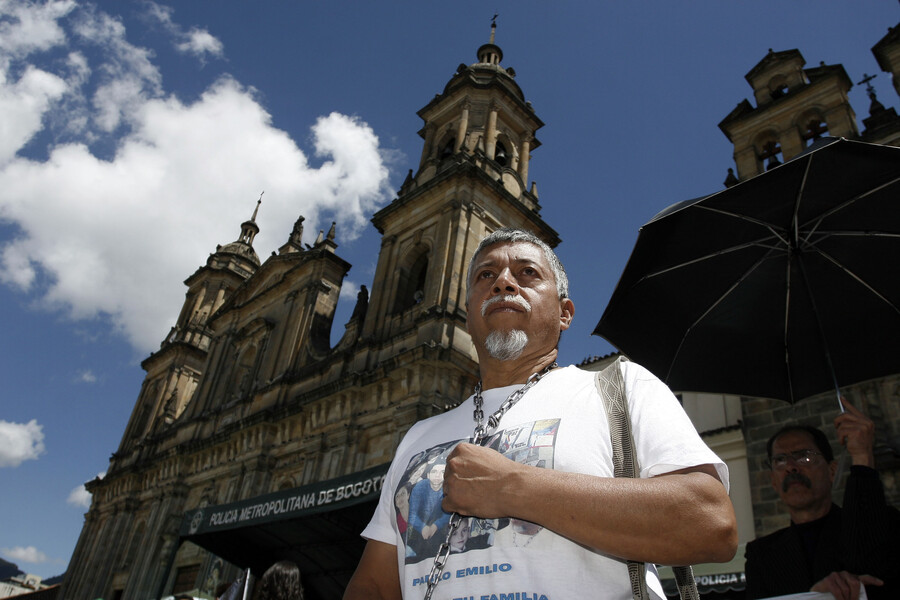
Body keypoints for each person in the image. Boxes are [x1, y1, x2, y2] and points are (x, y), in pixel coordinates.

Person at [343, 228, 737, 599]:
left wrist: (511, 487)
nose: (503, 282)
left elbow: (710, 522)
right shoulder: (419, 436)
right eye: (485, 275)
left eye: (527, 273)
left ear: (565, 313)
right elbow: (375, 585)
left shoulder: (620, 387)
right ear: (469, 315)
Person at [744, 400, 900, 600]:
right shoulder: (762, 556)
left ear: (832, 471)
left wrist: (862, 456)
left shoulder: (884, 524)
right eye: (780, 460)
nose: (791, 466)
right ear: (773, 481)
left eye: (804, 456)